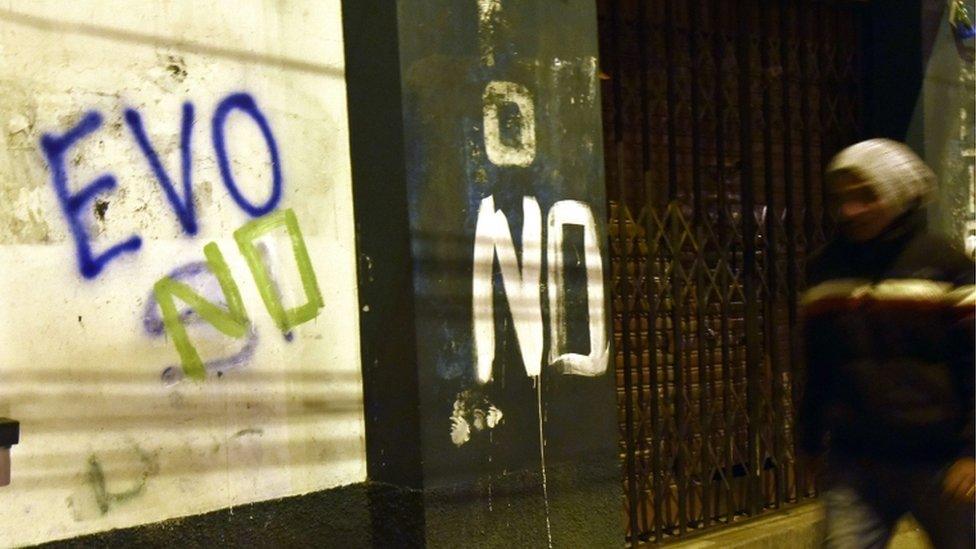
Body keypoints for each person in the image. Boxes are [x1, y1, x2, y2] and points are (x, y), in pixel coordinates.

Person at [798, 138, 975, 549]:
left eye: (866, 196)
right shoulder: (825, 271)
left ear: (897, 194)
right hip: (855, 459)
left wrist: (972, 451)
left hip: (941, 460)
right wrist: (808, 439)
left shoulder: (945, 264)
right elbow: (819, 363)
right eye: (841, 198)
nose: (850, 210)